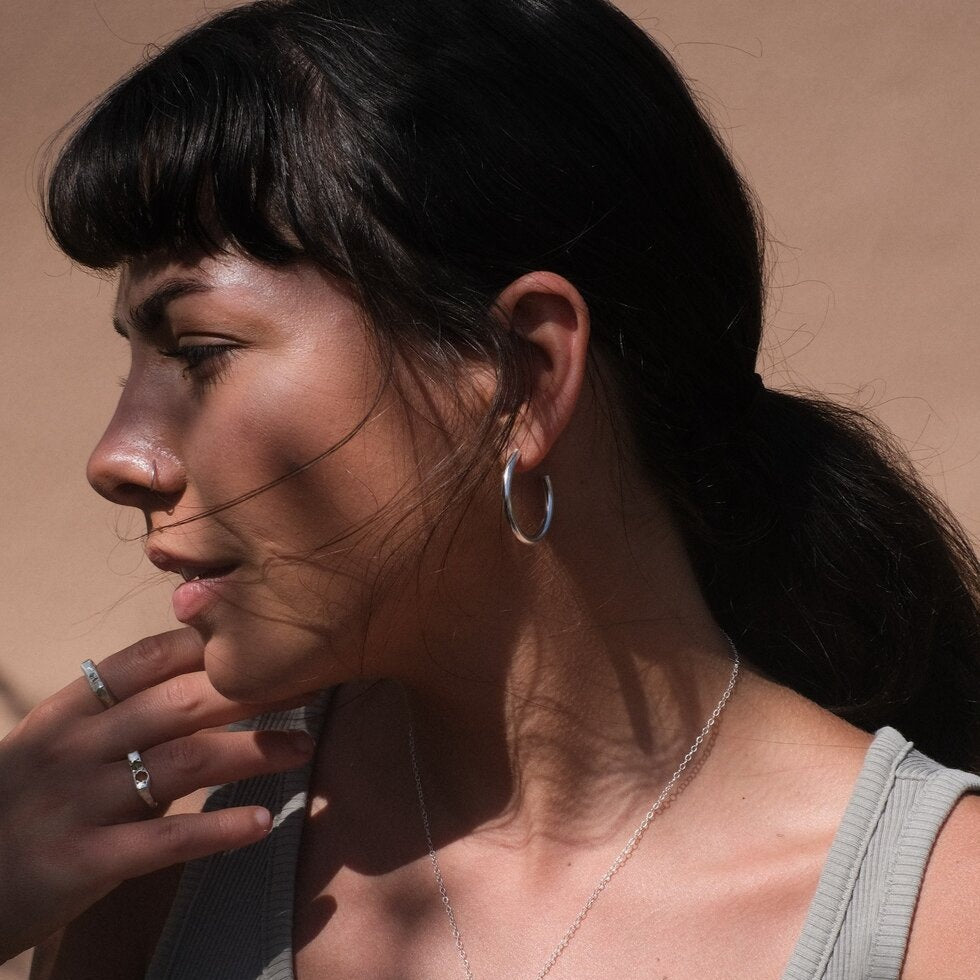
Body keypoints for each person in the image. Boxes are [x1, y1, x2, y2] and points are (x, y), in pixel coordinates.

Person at [2, 0, 978, 976]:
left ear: (521, 374)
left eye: (202, 351)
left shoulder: (934, 919)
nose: (118, 457)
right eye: (134, 364)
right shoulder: (159, 875)